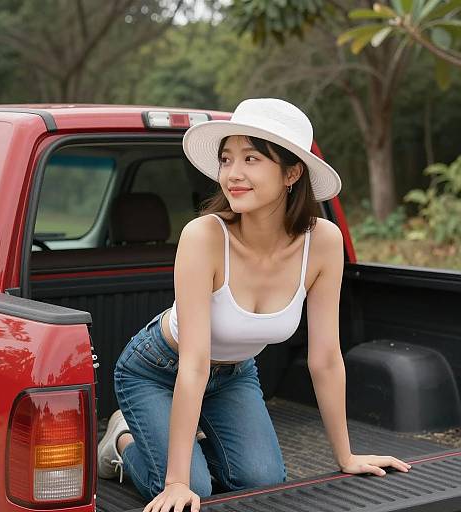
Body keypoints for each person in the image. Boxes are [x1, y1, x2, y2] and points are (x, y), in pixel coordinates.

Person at [97, 98, 412, 512]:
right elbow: (193, 362)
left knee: (261, 480)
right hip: (158, 371)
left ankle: (184, 441)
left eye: (251, 159)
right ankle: (123, 441)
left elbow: (326, 359)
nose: (233, 174)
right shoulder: (203, 237)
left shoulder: (323, 243)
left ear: (292, 173)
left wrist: (346, 456)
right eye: (226, 160)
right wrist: (175, 482)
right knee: (194, 488)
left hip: (234, 374)